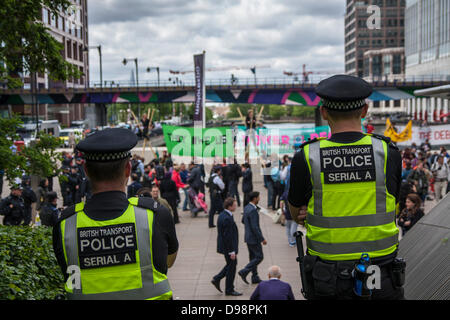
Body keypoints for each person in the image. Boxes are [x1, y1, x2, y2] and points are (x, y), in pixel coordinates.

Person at [288, 75, 405, 300]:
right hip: (380, 270)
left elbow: (296, 213)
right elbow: (394, 206)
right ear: (364, 110)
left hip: (328, 276)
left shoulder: (307, 156)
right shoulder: (388, 153)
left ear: (323, 112)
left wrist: (308, 213)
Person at [52, 128, 178, 300]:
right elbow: (168, 262)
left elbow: (68, 272)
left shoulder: (65, 224)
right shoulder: (155, 215)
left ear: (86, 171)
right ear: (128, 169)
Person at [211, 198, 242, 296]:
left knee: (231, 265)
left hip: (225, 247)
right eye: (234, 205)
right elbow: (228, 236)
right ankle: (229, 289)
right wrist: (232, 251)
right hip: (228, 248)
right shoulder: (227, 218)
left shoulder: (223, 215)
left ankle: (217, 278)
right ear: (229, 206)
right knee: (231, 267)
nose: (236, 206)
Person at [238, 191, 266, 285]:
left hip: (248, 237)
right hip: (254, 238)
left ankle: (255, 276)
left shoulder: (247, 207)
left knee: (253, 257)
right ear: (254, 199)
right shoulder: (253, 210)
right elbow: (255, 227)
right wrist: (262, 238)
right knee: (259, 257)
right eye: (258, 197)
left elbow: (243, 220)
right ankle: (244, 271)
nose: (259, 199)